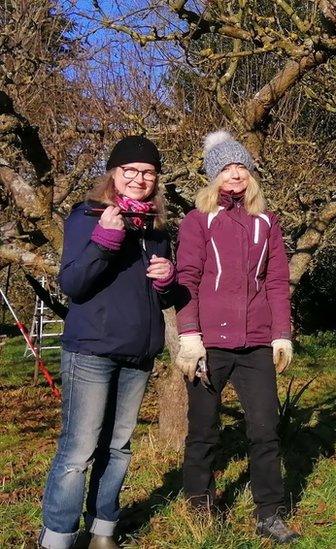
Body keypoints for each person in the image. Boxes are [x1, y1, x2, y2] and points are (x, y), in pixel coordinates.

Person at [39, 136, 176, 549]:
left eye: (147, 172)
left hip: (138, 354)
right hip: (92, 351)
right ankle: (58, 538)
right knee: (78, 452)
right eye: (130, 170)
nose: (138, 178)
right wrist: (104, 240)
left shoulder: (155, 229)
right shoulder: (87, 216)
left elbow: (164, 296)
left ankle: (103, 531)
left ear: (156, 181)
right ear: (113, 174)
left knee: (118, 449)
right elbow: (73, 285)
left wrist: (169, 280)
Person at [175, 131, 298, 543]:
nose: (234, 175)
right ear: (213, 177)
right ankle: (200, 505)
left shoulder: (267, 222)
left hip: (256, 343)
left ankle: (269, 512)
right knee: (204, 429)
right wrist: (189, 335)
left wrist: (281, 333)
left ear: (251, 174)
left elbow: (278, 281)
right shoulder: (198, 221)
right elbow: (186, 279)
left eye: (240, 167)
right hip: (208, 344)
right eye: (226, 169)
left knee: (265, 430)